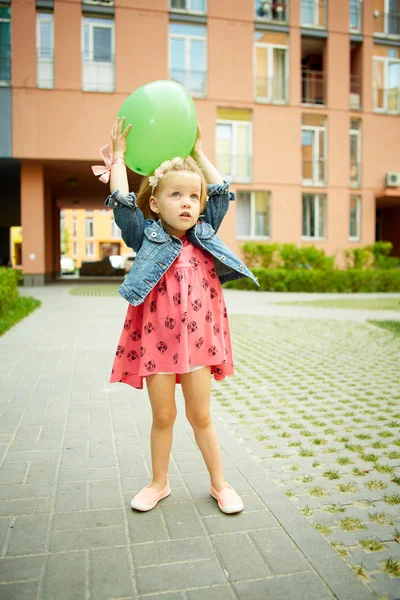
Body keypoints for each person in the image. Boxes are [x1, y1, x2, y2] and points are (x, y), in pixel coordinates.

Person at [101, 116, 258, 514]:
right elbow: (122, 204)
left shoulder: (205, 233)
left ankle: (220, 484)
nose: (186, 203)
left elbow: (221, 191)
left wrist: (197, 153)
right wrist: (118, 159)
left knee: (201, 415)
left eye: (193, 197)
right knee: (164, 415)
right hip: (158, 343)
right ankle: (159, 483)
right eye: (176, 195)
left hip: (199, 346)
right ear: (155, 202)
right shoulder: (147, 235)